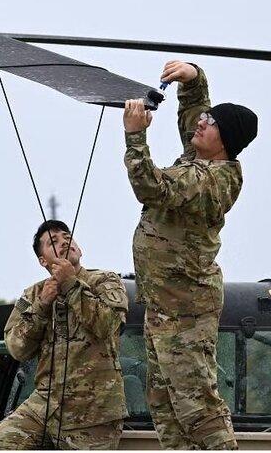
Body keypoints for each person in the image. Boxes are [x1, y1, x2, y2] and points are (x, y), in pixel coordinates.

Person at [123, 61, 258, 449]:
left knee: (197, 407)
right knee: (165, 405)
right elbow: (193, 115)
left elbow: (151, 187)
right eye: (206, 118)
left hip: (185, 310)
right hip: (164, 306)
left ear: (224, 141)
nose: (202, 122)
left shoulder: (210, 180)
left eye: (211, 123)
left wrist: (135, 136)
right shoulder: (199, 158)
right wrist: (193, 78)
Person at [0, 220, 128, 450]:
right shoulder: (34, 294)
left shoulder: (105, 280)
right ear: (43, 260)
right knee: (0, 444)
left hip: (94, 408)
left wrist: (70, 284)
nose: (64, 242)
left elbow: (108, 325)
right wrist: (42, 306)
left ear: (79, 249)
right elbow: (17, 348)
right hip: (45, 404)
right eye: (53, 241)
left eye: (67, 237)